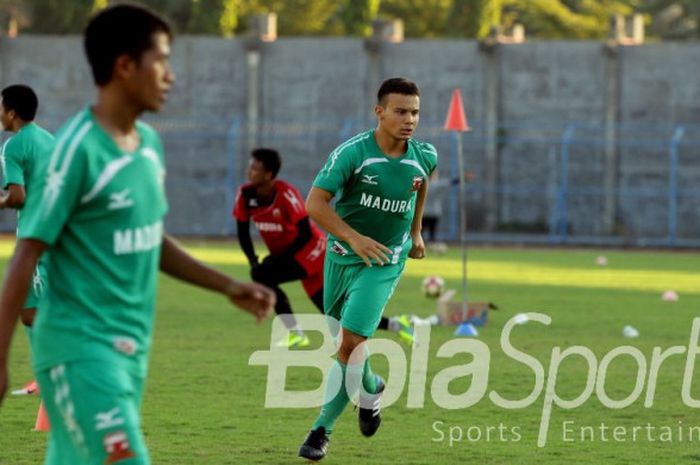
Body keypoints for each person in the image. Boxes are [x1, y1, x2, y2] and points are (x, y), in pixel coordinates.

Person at [0, 5, 275, 465]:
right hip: (78, 349)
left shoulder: (148, 145)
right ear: (125, 67)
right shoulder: (77, 152)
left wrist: (228, 285)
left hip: (128, 348)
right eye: (162, 61)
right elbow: (27, 252)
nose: (170, 76)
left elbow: (151, 239)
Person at [298, 77, 437, 461]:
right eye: (400, 111)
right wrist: (354, 238)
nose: (409, 119)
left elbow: (420, 184)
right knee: (347, 342)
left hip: (385, 261)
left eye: (415, 112)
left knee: (348, 343)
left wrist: (416, 231)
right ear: (379, 112)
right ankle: (372, 387)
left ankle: (319, 432)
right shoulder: (353, 154)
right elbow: (315, 204)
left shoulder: (425, 155)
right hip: (342, 257)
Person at [234, 148, 415, 348]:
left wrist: (275, 262)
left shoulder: (286, 195)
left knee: (264, 276)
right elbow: (242, 231)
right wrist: (253, 260)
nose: (249, 172)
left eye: (254, 168)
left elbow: (304, 234)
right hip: (290, 257)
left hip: (312, 251)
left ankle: (295, 333)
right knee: (333, 317)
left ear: (268, 174)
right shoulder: (245, 195)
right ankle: (398, 325)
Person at [0, 84, 54, 329]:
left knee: (31, 314)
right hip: (58, 230)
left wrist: (1, 202)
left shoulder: (13, 146)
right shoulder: (50, 140)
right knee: (37, 309)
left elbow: (17, 196)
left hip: (34, 234)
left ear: (11, 113)